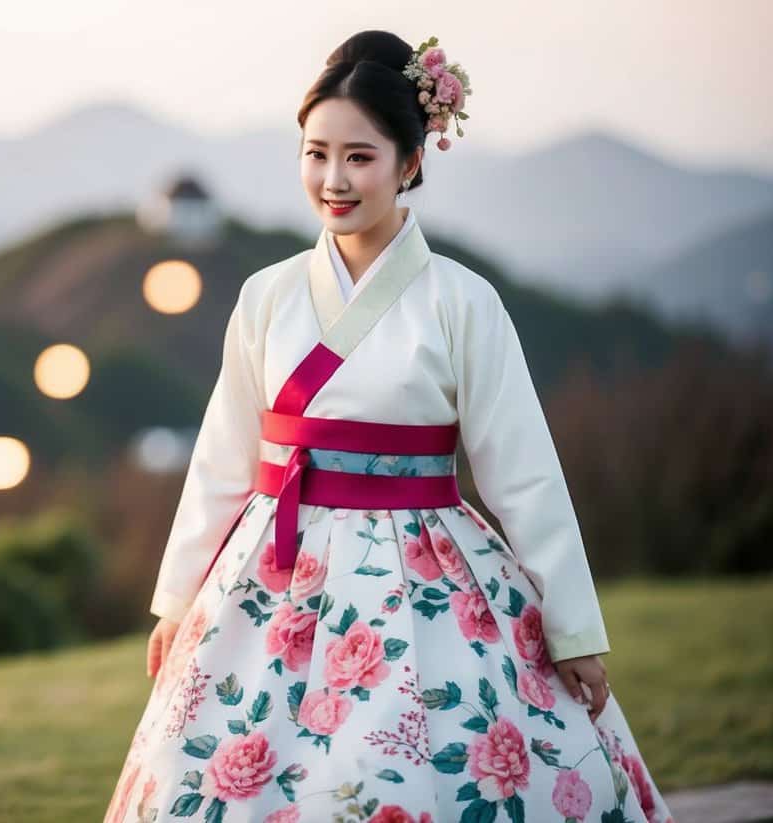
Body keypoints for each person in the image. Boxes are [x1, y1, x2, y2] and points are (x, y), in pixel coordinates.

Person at [104, 30, 674, 823]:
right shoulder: (267, 296)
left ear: (410, 162)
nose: (333, 180)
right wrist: (176, 600)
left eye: (359, 157)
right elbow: (221, 459)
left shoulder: (462, 301)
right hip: (273, 570)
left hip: (425, 569)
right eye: (316, 153)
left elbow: (523, 471)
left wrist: (572, 627)